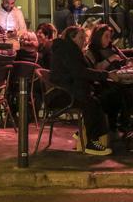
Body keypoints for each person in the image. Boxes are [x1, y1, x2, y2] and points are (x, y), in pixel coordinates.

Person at [50, 24, 117, 155]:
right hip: (64, 94)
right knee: (94, 102)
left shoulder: (69, 49)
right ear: (72, 38)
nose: (84, 41)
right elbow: (80, 72)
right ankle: (92, 142)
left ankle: (85, 132)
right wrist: (106, 75)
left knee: (102, 97)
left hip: (70, 90)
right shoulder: (67, 51)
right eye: (81, 37)